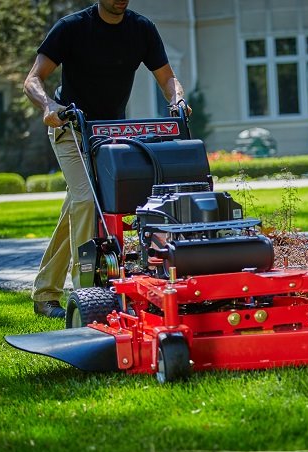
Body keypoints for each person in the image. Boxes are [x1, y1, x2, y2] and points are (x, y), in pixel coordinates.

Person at [23, 0, 190, 318]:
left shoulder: (141, 29)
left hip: (110, 132)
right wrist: (48, 107)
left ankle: (45, 294)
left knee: (81, 203)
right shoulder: (72, 28)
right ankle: (86, 293)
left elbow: (168, 78)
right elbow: (32, 79)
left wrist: (177, 97)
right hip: (71, 128)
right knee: (87, 200)